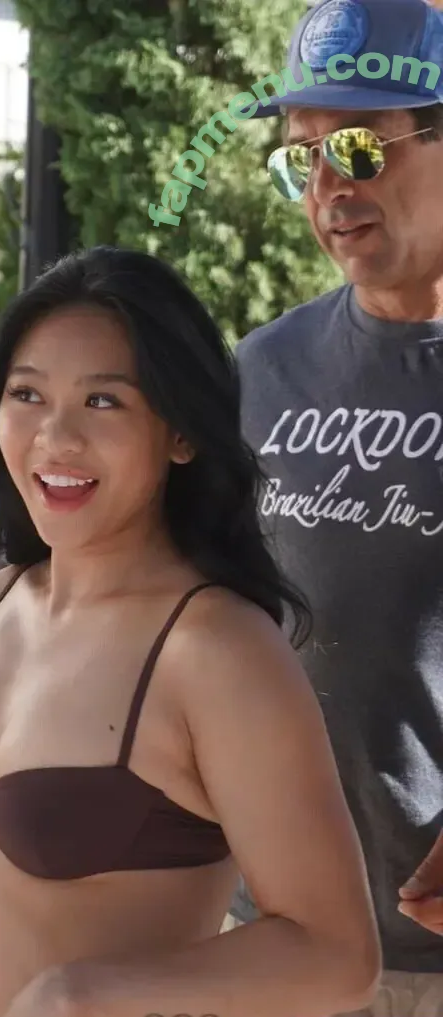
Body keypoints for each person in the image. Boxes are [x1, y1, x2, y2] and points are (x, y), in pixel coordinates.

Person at [0, 246, 380, 1017]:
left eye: (103, 401)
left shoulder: (216, 649)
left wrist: (85, 991)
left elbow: (338, 955)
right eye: (26, 393)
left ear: (181, 432)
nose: (55, 436)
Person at [231, 0, 443, 1013]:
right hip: (274, 933)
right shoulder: (261, 369)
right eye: (300, 158)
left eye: (356, 146)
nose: (326, 189)